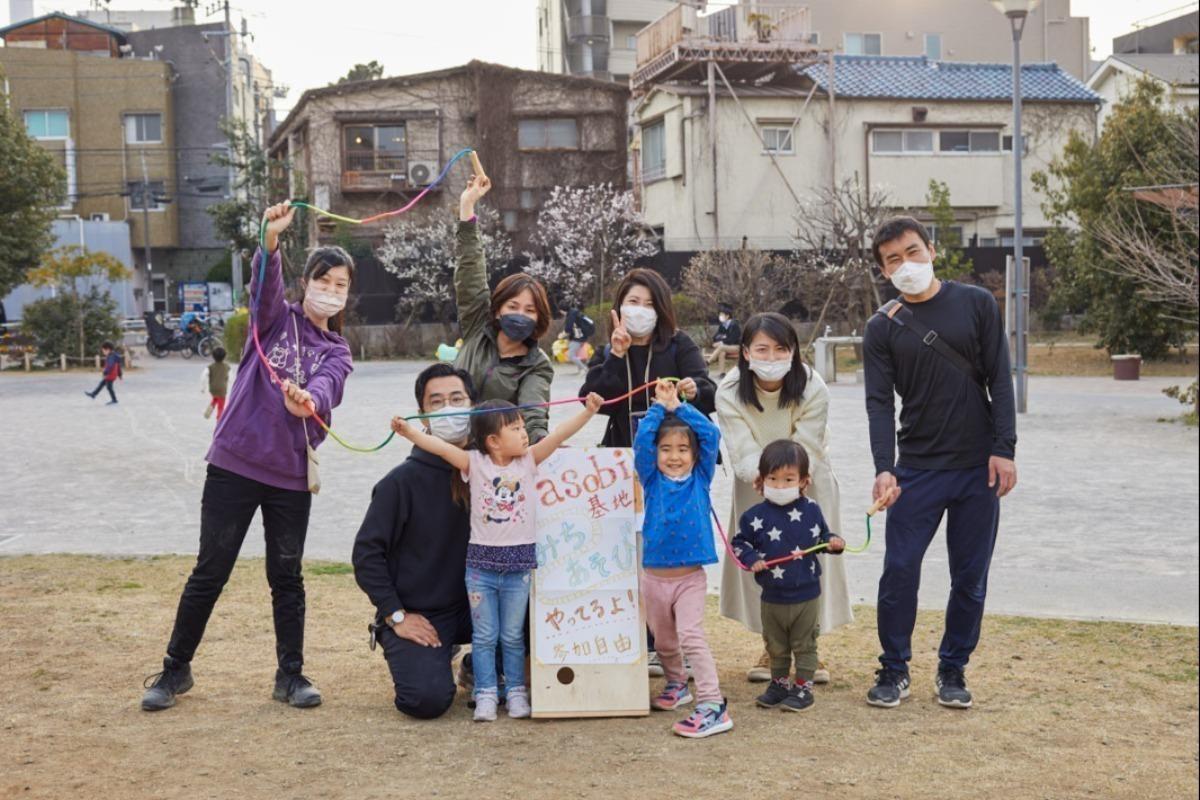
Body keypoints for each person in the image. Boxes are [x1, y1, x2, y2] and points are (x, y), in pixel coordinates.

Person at [140, 202, 355, 712]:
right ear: (306, 282)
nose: (331, 290)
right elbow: (264, 287)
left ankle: (291, 675)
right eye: (324, 279)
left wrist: (308, 400)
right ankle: (175, 669)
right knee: (210, 569)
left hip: (290, 476)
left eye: (341, 284)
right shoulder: (275, 319)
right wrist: (271, 240)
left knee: (287, 575)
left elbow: (328, 387)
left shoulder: (339, 350)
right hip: (233, 464)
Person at [863, 216, 1016, 710]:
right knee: (899, 570)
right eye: (893, 260)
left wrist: (1004, 448)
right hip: (917, 468)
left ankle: (953, 668)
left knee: (970, 576)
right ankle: (894, 668)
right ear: (883, 270)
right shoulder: (881, 327)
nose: (905, 264)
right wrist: (884, 466)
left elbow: (1000, 378)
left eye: (912, 252)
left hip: (977, 468)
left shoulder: (975, 303)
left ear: (931, 249)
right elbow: (879, 402)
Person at [390, 391, 604, 721]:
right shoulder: (474, 464)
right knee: (485, 636)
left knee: (512, 636)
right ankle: (486, 692)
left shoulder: (529, 460)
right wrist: (409, 432)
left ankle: (516, 691)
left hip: (518, 570)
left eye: (522, 427)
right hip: (480, 571)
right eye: (516, 428)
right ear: (493, 441)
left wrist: (588, 413)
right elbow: (442, 448)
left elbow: (560, 433)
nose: (524, 433)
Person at [579, 268, 716, 675]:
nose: (640, 311)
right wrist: (617, 355)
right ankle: (637, 636)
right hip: (623, 463)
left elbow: (708, 390)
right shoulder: (609, 352)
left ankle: (670, 641)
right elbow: (593, 399)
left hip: (673, 467)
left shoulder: (679, 345)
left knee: (669, 545)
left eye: (649, 304)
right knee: (628, 551)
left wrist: (691, 390)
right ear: (618, 308)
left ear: (662, 310)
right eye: (632, 302)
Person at [716, 312, 853, 684]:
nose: (771, 357)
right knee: (763, 561)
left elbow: (806, 441)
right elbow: (740, 445)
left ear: (794, 351)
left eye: (781, 349)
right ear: (745, 352)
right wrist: (765, 479)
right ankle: (772, 646)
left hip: (808, 481)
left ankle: (811, 647)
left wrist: (791, 480)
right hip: (755, 485)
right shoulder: (729, 390)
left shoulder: (812, 386)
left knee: (812, 561)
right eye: (762, 348)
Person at [352, 363, 476, 719]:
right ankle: (420, 651)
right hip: (422, 610)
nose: (449, 408)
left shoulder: (491, 469)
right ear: (422, 416)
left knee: (539, 622)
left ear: (473, 404)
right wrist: (396, 614)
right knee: (426, 700)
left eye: (457, 398)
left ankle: (476, 663)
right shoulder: (400, 483)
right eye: (436, 402)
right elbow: (366, 554)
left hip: (482, 603)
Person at [633, 379, 732, 738]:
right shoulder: (651, 479)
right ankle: (678, 685)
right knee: (663, 642)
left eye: (682, 449)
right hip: (654, 579)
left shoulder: (700, 478)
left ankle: (712, 703)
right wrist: (657, 410)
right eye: (666, 449)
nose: (674, 456)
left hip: (690, 578)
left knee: (691, 636)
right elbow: (641, 441)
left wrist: (678, 407)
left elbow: (710, 434)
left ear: (694, 455)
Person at [731, 440, 845, 713]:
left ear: (804, 481)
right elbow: (738, 543)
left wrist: (833, 542)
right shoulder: (753, 516)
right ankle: (779, 684)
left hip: (806, 595)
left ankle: (803, 688)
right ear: (761, 480)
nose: (780, 486)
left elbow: (823, 537)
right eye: (773, 479)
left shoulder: (811, 510)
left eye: (788, 479)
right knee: (776, 645)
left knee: (805, 644)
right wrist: (752, 559)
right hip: (772, 597)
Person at [454, 174, 554, 442]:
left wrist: (543, 444)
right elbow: (470, 274)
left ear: (539, 318)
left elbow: (532, 413)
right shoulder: (478, 327)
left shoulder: (537, 365)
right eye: (513, 305)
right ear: (497, 310)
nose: (520, 314)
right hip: (448, 442)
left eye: (529, 310)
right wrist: (467, 207)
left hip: (493, 454)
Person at [705, 303, 741, 374]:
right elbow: (715, 337)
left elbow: (732, 340)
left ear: (727, 316)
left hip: (736, 347)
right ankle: (722, 373)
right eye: (720, 315)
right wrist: (722, 338)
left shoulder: (734, 325)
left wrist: (721, 341)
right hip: (726, 347)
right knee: (722, 352)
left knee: (721, 347)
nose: (720, 316)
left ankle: (708, 361)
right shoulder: (722, 325)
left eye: (722, 315)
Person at [84, 341, 122, 405]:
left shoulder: (111, 357)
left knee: (109, 387)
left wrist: (105, 372)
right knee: (102, 384)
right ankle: (94, 394)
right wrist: (120, 374)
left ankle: (114, 400)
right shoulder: (114, 356)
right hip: (111, 374)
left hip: (110, 375)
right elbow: (118, 366)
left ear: (108, 350)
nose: (103, 352)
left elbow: (110, 365)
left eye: (103, 351)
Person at [201, 347, 231, 420]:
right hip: (222, 389)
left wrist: (203, 388)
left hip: (213, 388)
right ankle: (219, 420)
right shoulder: (227, 367)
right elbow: (230, 377)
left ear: (213, 356)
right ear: (225, 356)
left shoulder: (210, 367)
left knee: (215, 398)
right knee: (221, 406)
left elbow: (204, 376)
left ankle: (208, 411)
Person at [562, 306, 594, 373]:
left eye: (561, 311)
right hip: (578, 338)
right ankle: (580, 369)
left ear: (563, 310)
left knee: (570, 355)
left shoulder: (571, 316)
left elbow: (568, 328)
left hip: (578, 339)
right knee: (575, 354)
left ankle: (585, 369)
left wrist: (563, 334)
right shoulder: (575, 314)